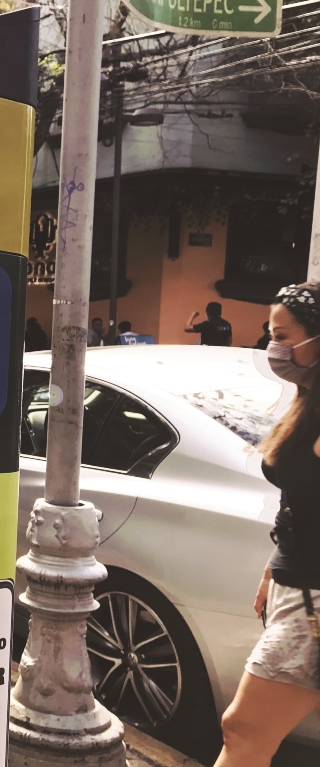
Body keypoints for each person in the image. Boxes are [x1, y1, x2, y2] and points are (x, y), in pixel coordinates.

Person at [212, 282, 320, 767]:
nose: (272, 347)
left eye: (281, 334)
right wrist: (274, 565)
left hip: (314, 599)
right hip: (296, 584)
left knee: (244, 731)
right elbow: (302, 497)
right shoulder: (308, 401)